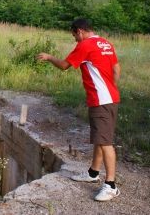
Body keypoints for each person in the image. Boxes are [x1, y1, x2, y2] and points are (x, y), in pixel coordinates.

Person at [37, 18, 121, 202]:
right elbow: (116, 68)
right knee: (100, 138)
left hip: (101, 100)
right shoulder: (105, 43)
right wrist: (109, 87)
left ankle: (111, 186)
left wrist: (49, 57)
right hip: (109, 97)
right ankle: (93, 173)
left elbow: (64, 66)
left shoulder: (85, 45)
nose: (75, 39)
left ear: (80, 31)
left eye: (74, 35)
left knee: (105, 142)